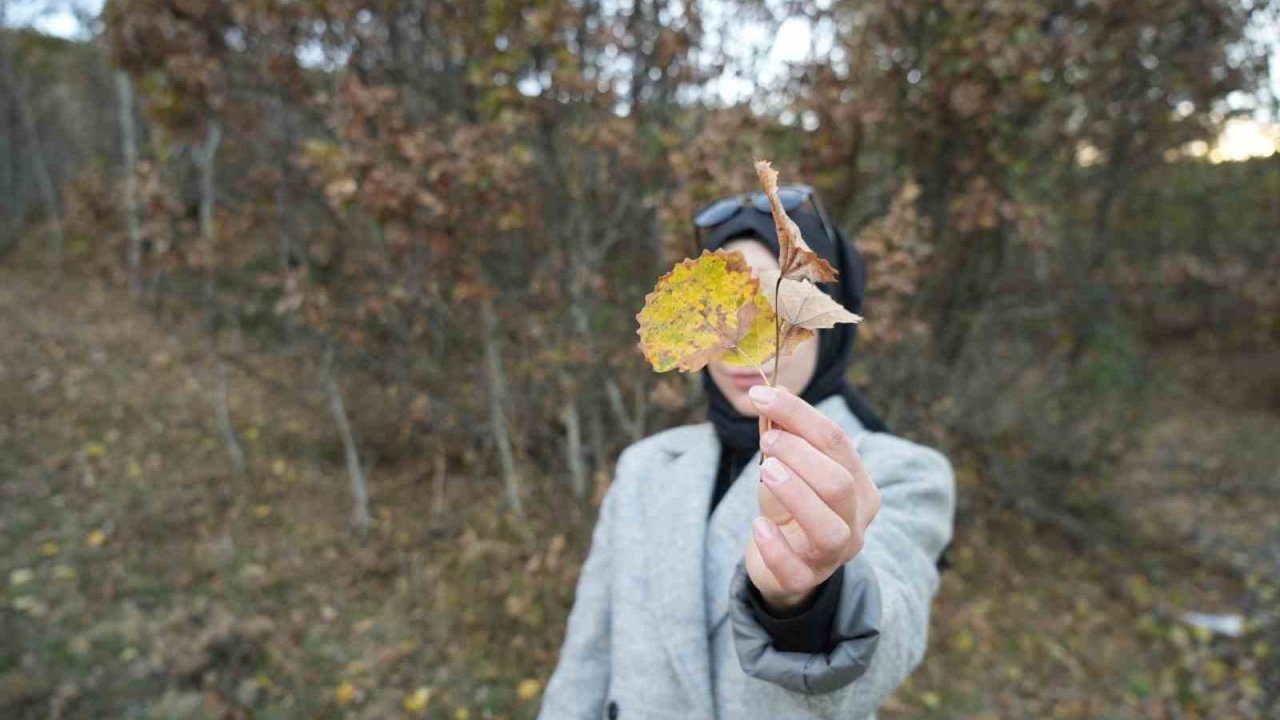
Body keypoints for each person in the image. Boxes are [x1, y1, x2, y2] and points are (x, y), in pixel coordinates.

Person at [538, 185, 955, 720]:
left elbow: (884, 645)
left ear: (827, 312)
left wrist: (807, 602)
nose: (742, 332)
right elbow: (587, 658)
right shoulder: (645, 466)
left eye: (772, 304)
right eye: (724, 306)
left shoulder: (901, 471)